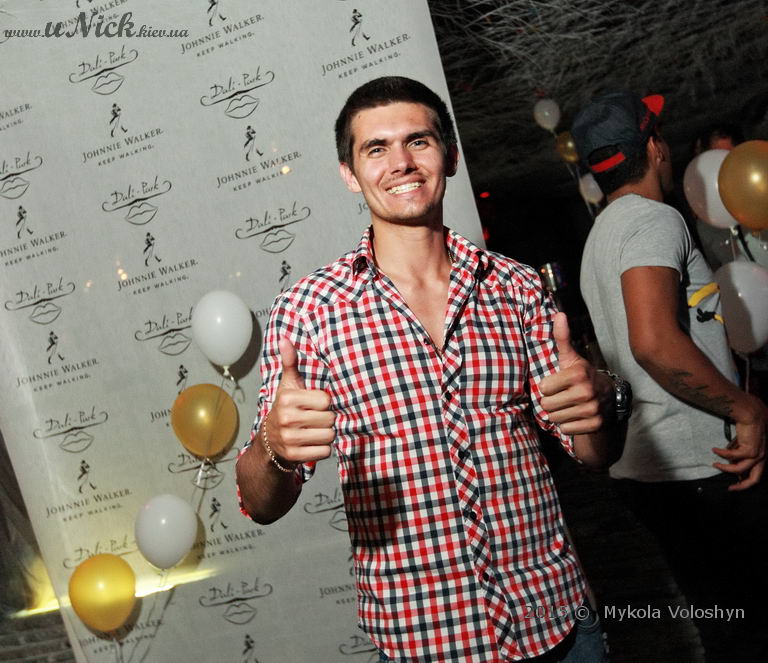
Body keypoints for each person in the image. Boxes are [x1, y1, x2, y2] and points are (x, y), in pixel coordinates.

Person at [236, 76, 626, 662]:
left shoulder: (516, 287)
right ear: (350, 173)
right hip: (423, 640)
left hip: (557, 625)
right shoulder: (309, 312)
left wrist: (601, 405)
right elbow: (260, 503)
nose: (401, 162)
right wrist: (275, 446)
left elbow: (595, 454)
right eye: (376, 148)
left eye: (418, 141)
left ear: (450, 156)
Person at [573, 91, 768, 661]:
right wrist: (746, 409)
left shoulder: (602, 234)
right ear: (654, 147)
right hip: (702, 468)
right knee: (750, 626)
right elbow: (653, 343)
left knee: (724, 623)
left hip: (655, 469)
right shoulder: (653, 220)